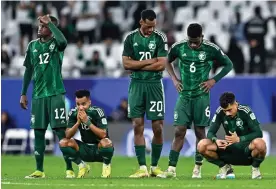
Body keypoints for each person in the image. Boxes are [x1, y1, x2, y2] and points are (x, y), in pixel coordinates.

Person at [157, 23, 233, 179]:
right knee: (179, 131)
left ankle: (197, 169)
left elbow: (228, 64)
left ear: (202, 37)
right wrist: (174, 79)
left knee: (200, 132)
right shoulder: (179, 47)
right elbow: (166, 61)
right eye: (190, 41)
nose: (192, 44)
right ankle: (171, 169)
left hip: (201, 96)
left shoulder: (211, 48)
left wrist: (213, 80)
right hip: (184, 96)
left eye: (196, 42)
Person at [20, 14, 73, 178]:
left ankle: (69, 169)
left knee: (60, 132)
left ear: (50, 29)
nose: (39, 28)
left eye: (43, 26)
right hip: (38, 96)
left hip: (56, 93)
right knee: (38, 132)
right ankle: (39, 170)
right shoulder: (32, 45)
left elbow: (64, 42)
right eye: (40, 25)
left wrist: (50, 24)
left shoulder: (56, 44)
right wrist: (23, 93)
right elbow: (28, 70)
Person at [122, 9, 168, 178]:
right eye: (148, 26)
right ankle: (142, 168)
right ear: (141, 22)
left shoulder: (160, 38)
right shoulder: (130, 38)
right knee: (137, 125)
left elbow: (161, 65)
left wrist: (137, 64)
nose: (151, 30)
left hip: (154, 84)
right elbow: (126, 64)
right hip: (136, 85)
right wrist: (149, 61)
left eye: (153, 26)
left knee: (158, 127)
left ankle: (154, 166)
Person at [197, 92, 266, 179]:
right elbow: (210, 132)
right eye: (225, 111)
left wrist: (239, 139)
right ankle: (224, 167)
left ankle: (255, 168)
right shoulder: (220, 112)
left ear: (235, 104)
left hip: (246, 150)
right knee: (202, 145)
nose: (227, 113)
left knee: (260, 144)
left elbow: (259, 133)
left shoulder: (245, 111)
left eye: (229, 110)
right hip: (229, 148)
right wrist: (216, 140)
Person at [59, 89, 114, 178]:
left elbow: (103, 134)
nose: (80, 107)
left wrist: (87, 122)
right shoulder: (73, 113)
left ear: (89, 102)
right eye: (78, 104)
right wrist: (77, 123)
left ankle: (106, 167)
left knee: (106, 142)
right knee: (63, 142)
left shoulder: (97, 112)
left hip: (99, 150)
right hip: (84, 149)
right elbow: (68, 135)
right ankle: (82, 165)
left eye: (83, 104)